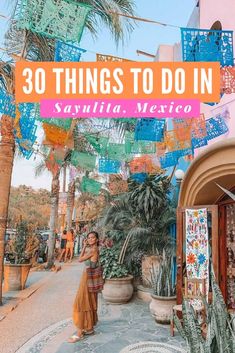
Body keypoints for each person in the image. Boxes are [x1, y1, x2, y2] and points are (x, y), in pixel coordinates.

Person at [68, 231, 100, 343]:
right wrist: (84, 246)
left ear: (96, 239)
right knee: (88, 301)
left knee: (82, 302)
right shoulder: (93, 249)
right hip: (88, 277)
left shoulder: (93, 250)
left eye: (92, 238)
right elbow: (81, 258)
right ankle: (89, 328)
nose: (90, 239)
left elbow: (80, 259)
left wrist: (85, 247)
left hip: (87, 279)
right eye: (89, 238)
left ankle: (79, 332)